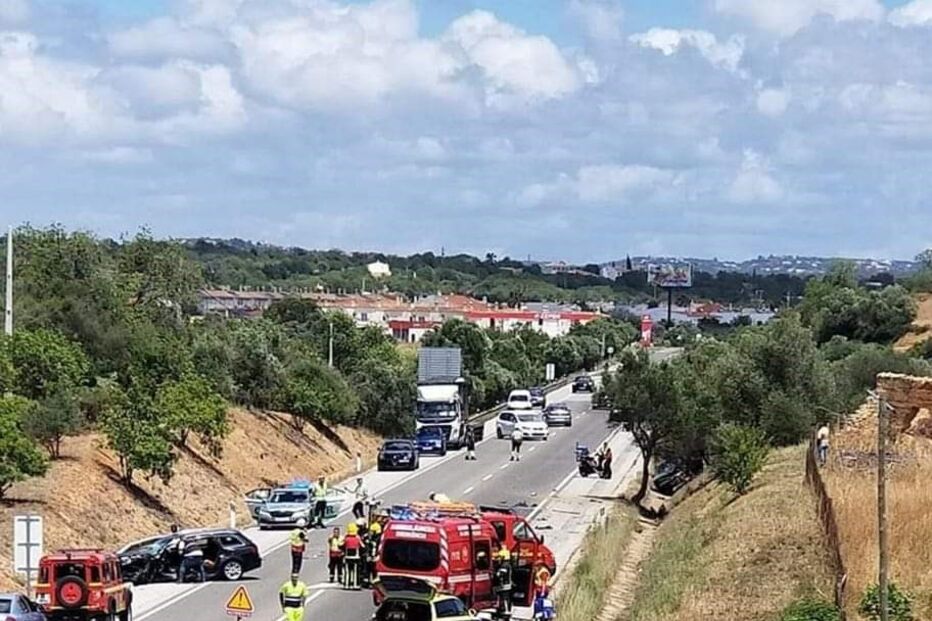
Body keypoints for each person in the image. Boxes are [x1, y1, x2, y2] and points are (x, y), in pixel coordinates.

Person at [342, 521, 363, 589]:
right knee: (356, 571)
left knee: (347, 571)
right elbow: (363, 546)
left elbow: (341, 545)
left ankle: (347, 584)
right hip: (356, 557)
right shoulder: (357, 538)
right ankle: (355, 584)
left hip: (347, 557)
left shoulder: (346, 538)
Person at [493, 545, 513, 614]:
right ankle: (503, 609)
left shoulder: (504, 565)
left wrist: (495, 573)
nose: (499, 559)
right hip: (506, 584)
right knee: (504, 597)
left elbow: (500, 575)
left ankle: (506, 610)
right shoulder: (508, 564)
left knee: (504, 598)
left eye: (500, 557)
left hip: (504, 585)